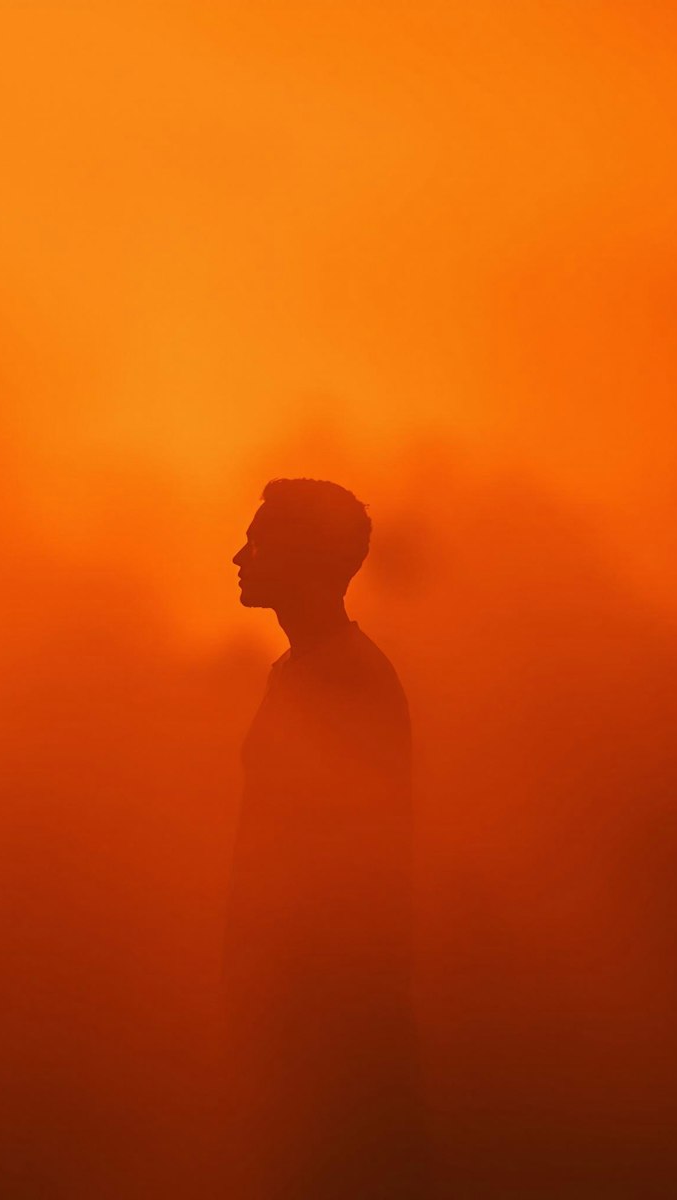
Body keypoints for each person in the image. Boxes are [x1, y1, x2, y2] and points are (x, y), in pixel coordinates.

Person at [224, 478, 427, 1197]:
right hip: (296, 1015)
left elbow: (352, 867)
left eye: (259, 539)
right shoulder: (298, 670)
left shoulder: (347, 681)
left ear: (307, 556)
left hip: (333, 1025)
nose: (239, 555)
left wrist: (296, 1010)